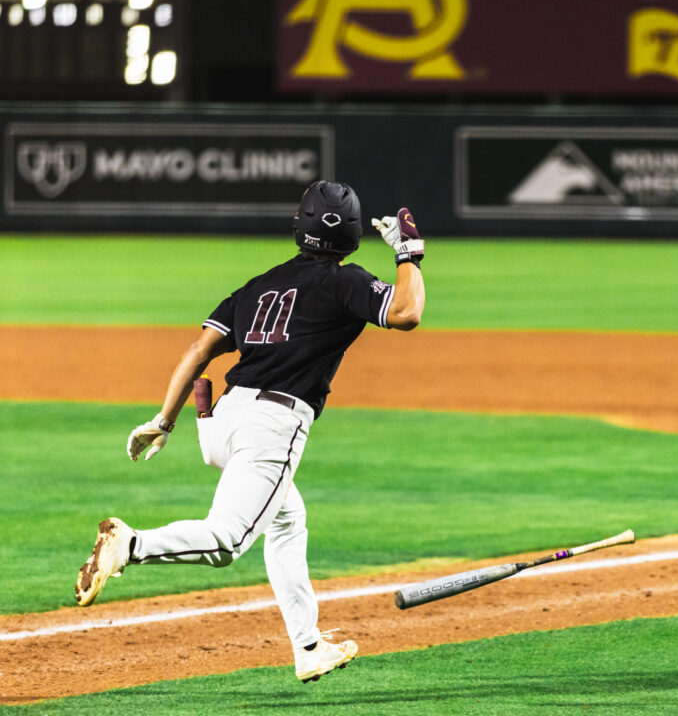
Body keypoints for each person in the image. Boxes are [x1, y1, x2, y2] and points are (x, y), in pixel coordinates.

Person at [73, 181, 426, 684]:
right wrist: (408, 255)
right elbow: (407, 312)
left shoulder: (258, 285)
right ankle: (129, 545)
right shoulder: (344, 282)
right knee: (227, 542)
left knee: (287, 522)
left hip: (219, 424)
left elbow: (197, 354)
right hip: (271, 430)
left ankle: (308, 648)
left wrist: (161, 421)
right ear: (350, 234)